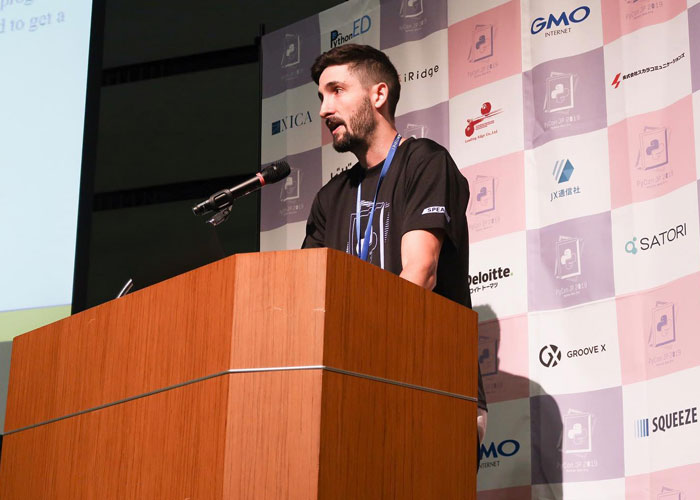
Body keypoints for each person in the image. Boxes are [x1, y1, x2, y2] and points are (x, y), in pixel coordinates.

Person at [301, 43, 488, 457]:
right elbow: (305, 301)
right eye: (320, 97)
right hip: (349, 387)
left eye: (336, 90)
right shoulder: (329, 198)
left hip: (429, 382)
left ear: (378, 95)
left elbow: (420, 274)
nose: (323, 110)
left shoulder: (424, 162)